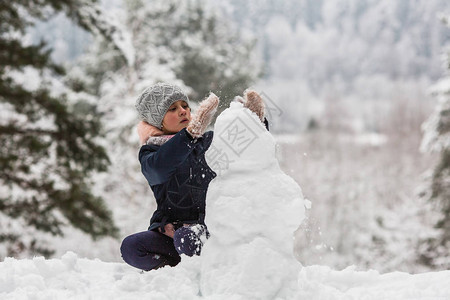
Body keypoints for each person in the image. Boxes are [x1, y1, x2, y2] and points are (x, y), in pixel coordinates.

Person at [120, 83, 265, 271]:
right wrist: (189, 135)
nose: (183, 111)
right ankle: (174, 273)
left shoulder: (207, 144)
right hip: (171, 236)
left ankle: (205, 270)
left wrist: (254, 120)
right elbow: (160, 168)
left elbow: (244, 146)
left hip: (208, 232)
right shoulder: (150, 153)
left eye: (185, 106)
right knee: (131, 247)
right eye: (173, 108)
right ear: (158, 120)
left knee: (186, 237)